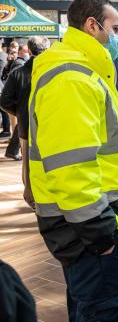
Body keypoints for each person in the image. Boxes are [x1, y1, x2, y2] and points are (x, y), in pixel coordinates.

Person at [28, 0, 118, 322]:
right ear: (92, 25)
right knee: (105, 310)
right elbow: (71, 168)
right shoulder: (72, 78)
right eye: (115, 27)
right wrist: (102, 236)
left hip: (102, 226)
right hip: (95, 236)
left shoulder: (86, 72)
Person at [0, 36, 49, 209]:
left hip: (26, 126)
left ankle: (32, 198)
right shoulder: (54, 71)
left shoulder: (18, 73)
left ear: (28, 49)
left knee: (28, 165)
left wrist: (20, 113)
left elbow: (5, 101)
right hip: (51, 125)